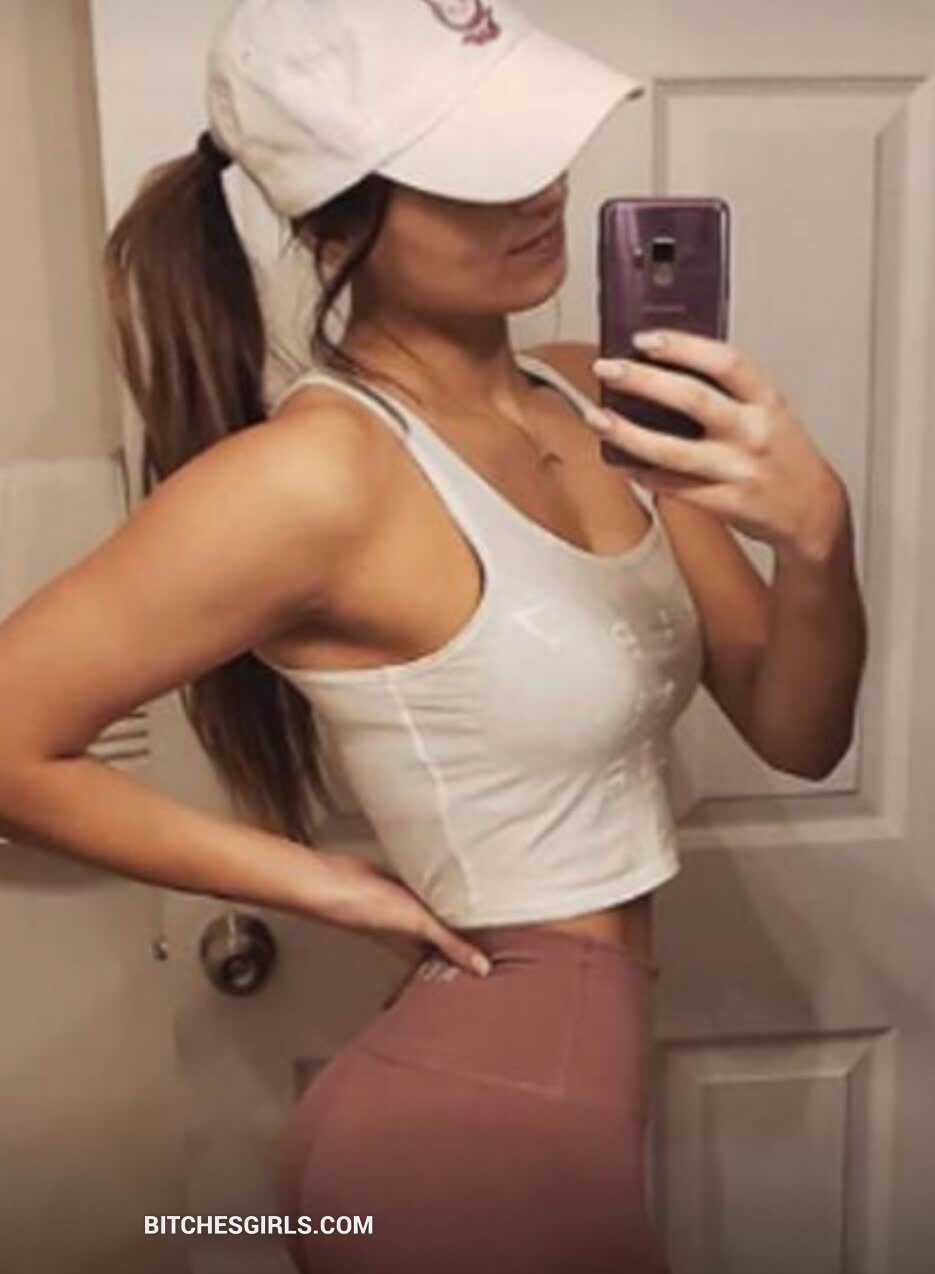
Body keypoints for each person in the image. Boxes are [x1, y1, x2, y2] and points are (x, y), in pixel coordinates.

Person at [0, 1, 867, 1271]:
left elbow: (798, 731)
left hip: (540, 1102)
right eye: (471, 169)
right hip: (465, 1135)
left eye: (533, 139)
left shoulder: (599, 393)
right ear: (329, 218)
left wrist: (816, 538)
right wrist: (331, 886)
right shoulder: (318, 476)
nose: (539, 188)